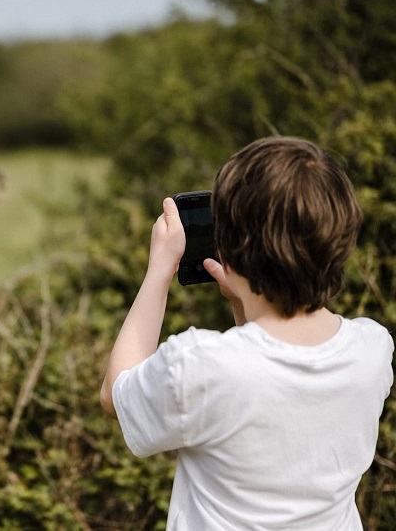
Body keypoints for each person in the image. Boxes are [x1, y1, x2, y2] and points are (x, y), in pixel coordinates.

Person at [99, 136, 394, 530]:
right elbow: (274, 376)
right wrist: (243, 300)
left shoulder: (200, 366)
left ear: (231, 246)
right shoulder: (372, 349)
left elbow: (116, 394)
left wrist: (159, 271)